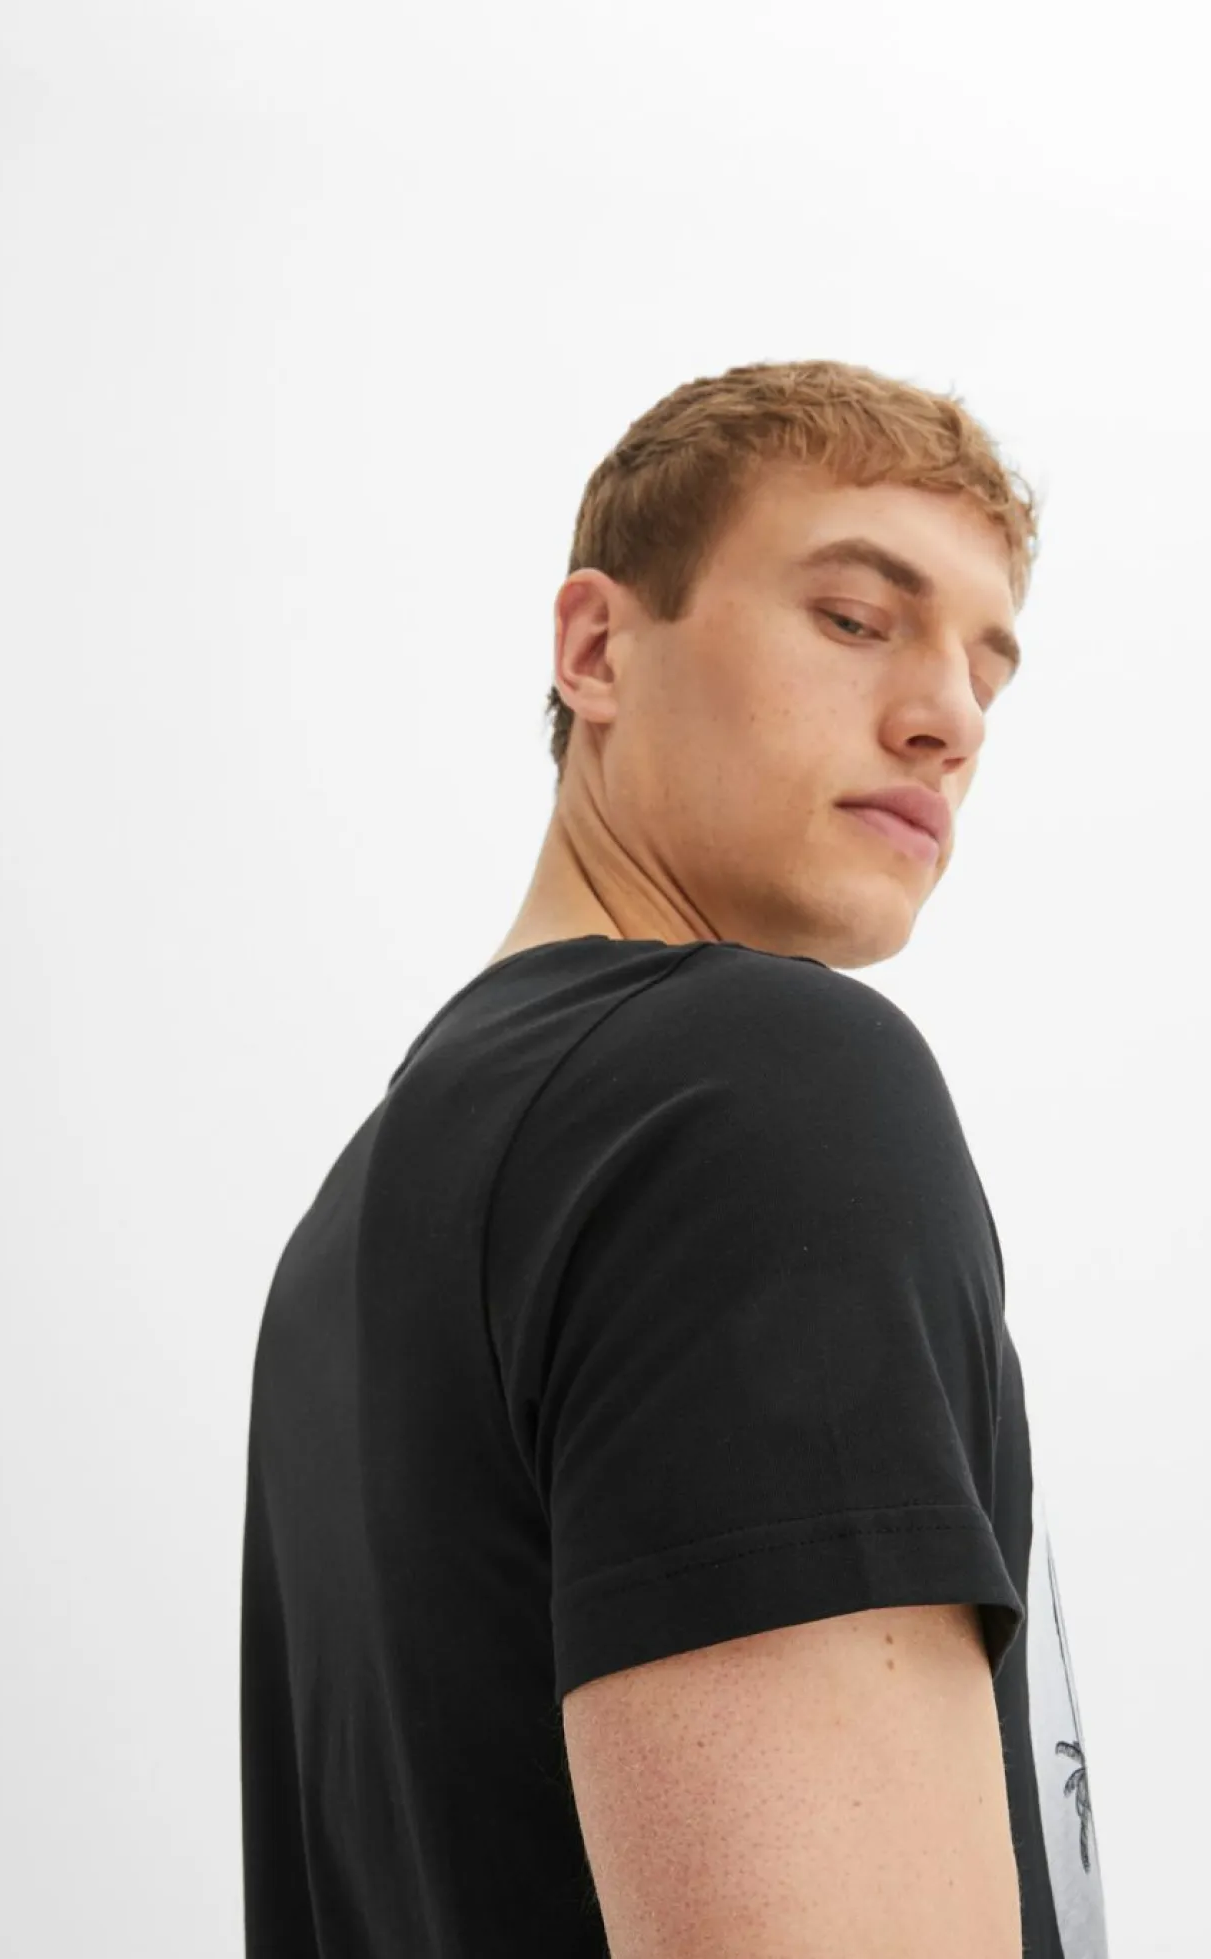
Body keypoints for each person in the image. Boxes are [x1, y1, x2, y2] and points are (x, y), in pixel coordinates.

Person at [240, 359, 1108, 1957]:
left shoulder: (357, 1229)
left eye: (989, 671)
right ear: (596, 648)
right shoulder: (756, 1089)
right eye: (856, 617)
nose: (949, 721)